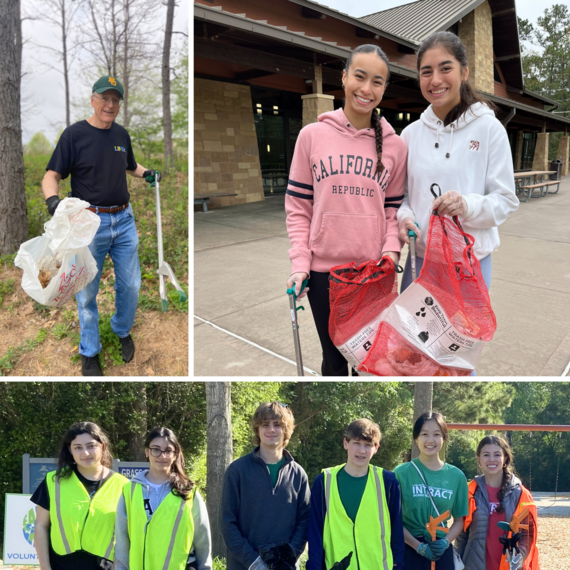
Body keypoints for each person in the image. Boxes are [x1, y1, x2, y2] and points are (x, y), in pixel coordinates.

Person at [285, 44, 408, 376]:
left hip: (372, 273)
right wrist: (300, 264)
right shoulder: (312, 136)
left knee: (371, 363)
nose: (367, 89)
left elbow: (393, 208)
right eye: (360, 76)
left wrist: (391, 252)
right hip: (324, 275)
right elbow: (298, 207)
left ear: (385, 88)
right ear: (343, 78)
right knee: (335, 362)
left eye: (378, 81)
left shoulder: (395, 146)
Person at [41, 75, 157, 376]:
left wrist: (146, 174)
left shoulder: (121, 134)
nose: (110, 104)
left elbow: (130, 166)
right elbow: (51, 175)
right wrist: (52, 201)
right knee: (87, 291)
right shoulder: (74, 135)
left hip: (124, 219)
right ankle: (90, 350)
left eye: (115, 100)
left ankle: (121, 329)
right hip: (88, 224)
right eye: (104, 98)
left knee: (131, 285)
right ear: (93, 99)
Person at [397, 31, 518, 294]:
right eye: (426, 71)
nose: (436, 80)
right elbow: (404, 196)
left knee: (459, 337)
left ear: (464, 72)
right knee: (411, 336)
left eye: (445, 68)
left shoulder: (489, 129)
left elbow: (506, 200)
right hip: (420, 262)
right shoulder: (409, 135)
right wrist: (405, 218)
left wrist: (467, 205)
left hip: (470, 263)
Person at [221, 402, 311, 570]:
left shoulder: (298, 475)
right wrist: (254, 562)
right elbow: (227, 522)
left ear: (286, 430)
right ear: (257, 429)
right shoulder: (237, 471)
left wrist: (288, 558)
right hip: (243, 566)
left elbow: (304, 522)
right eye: (265, 425)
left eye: (277, 425)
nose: (271, 430)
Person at [307, 418, 405, 570]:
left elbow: (397, 532)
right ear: (345, 443)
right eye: (356, 443)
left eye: (368, 445)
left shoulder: (388, 482)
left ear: (376, 448)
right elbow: (315, 532)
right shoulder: (324, 481)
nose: (362, 450)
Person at [32, 421, 129, 570]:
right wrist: (45, 567)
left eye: (91, 446)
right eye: (78, 447)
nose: (85, 453)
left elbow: (128, 535)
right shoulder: (53, 481)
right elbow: (41, 526)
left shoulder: (123, 485)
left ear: (102, 446)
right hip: (60, 565)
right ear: (70, 450)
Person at [114, 427, 212, 570]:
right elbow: (122, 540)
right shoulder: (130, 490)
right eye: (156, 449)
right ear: (147, 452)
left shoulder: (188, 491)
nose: (162, 456)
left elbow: (202, 537)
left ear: (175, 454)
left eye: (168, 450)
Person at [394, 412, 469, 570]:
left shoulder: (456, 476)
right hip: (410, 551)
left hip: (441, 552)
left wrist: (445, 542)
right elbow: (393, 520)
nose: (430, 440)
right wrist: (418, 546)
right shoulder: (400, 473)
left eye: (436, 434)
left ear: (444, 438)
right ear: (416, 438)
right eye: (424, 434)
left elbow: (459, 521)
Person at [455, 436, 539, 570]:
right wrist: (456, 559)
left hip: (509, 566)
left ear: (505, 458)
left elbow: (527, 534)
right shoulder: (470, 491)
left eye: (497, 454)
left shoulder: (520, 493)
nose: (491, 459)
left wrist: (520, 555)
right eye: (486, 455)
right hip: (474, 565)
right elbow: (462, 534)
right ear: (479, 459)